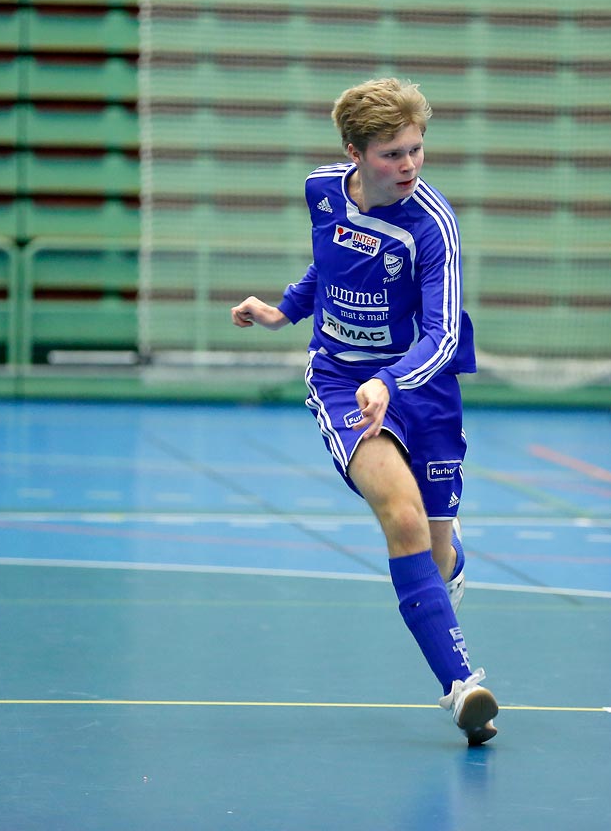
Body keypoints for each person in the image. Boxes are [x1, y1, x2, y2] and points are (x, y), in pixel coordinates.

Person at [229, 77, 498, 745]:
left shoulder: (432, 225)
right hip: (344, 384)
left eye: (416, 150)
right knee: (400, 516)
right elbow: (329, 262)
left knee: (434, 552)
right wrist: (285, 309)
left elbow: (441, 336)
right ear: (354, 152)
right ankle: (463, 687)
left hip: (422, 385)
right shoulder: (322, 189)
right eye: (391, 154)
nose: (408, 165)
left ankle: (447, 565)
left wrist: (394, 381)